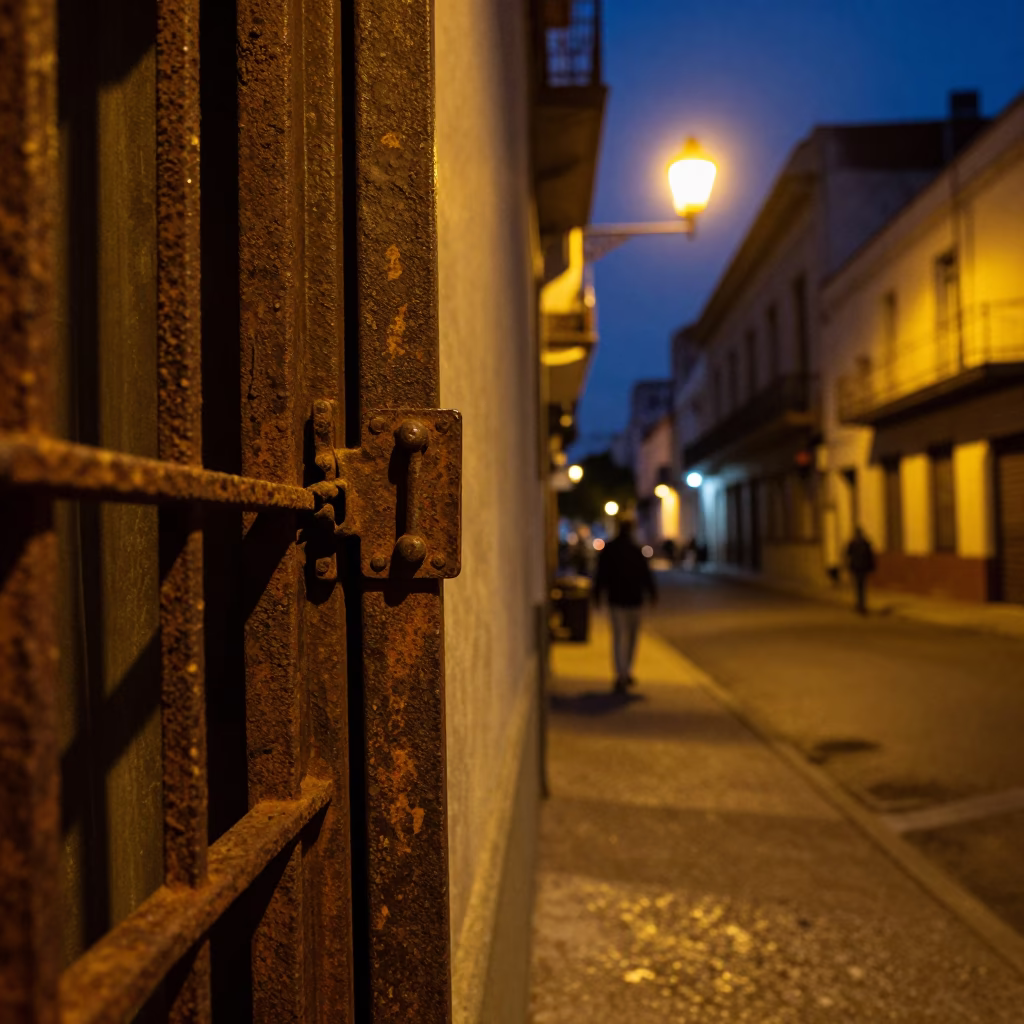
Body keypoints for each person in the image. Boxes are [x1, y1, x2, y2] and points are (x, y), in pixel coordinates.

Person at [593, 517, 658, 693]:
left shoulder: (610, 549)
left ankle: (621, 673)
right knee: (631, 637)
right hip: (634, 600)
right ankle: (626, 671)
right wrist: (652, 594)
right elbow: (646, 575)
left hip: (616, 600)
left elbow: (600, 575)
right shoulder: (636, 550)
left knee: (619, 637)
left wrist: (597, 596)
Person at [845, 526, 876, 615]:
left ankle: (860, 604)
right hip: (863, 568)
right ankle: (861, 604)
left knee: (858, 586)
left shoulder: (853, 543)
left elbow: (848, 554)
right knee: (862, 586)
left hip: (856, 568)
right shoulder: (865, 543)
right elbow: (870, 556)